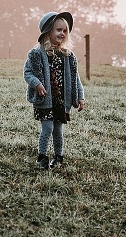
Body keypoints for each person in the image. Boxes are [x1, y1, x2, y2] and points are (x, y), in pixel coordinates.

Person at [24, 11, 85, 169]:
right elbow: (28, 72)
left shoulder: (68, 56)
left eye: (65, 31)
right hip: (45, 99)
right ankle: (42, 157)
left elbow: (75, 78)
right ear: (48, 31)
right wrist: (37, 83)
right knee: (48, 127)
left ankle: (58, 157)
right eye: (58, 30)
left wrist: (80, 97)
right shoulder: (37, 54)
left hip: (61, 100)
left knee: (58, 130)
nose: (62, 33)